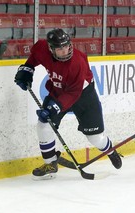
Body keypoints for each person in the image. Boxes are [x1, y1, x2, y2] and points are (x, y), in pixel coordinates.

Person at [14, 28, 122, 180]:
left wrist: (54, 108)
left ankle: (110, 151)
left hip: (83, 95)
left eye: (67, 46)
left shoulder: (77, 62)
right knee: (44, 125)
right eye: (60, 48)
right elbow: (34, 57)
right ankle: (50, 164)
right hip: (58, 91)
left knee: (95, 138)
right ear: (51, 49)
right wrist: (27, 69)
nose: (65, 51)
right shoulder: (42, 48)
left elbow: (73, 93)